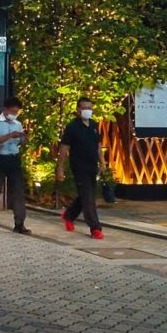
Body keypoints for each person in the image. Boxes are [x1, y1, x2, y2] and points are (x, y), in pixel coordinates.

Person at [57, 97, 104, 240]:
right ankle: (95, 228)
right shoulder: (72, 127)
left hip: (92, 165)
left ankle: (69, 215)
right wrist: (60, 168)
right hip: (79, 166)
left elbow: (98, 146)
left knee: (86, 194)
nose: (88, 111)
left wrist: (102, 162)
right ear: (78, 110)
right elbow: (64, 147)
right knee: (88, 197)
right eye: (85, 108)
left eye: (90, 108)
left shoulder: (94, 125)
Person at [0, 97, 29, 234]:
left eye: (16, 112)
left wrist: (24, 138)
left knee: (18, 191)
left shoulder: (18, 124)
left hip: (13, 158)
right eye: (12, 111)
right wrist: (10, 135)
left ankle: (19, 224)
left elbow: (20, 142)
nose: (14, 114)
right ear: (4, 109)